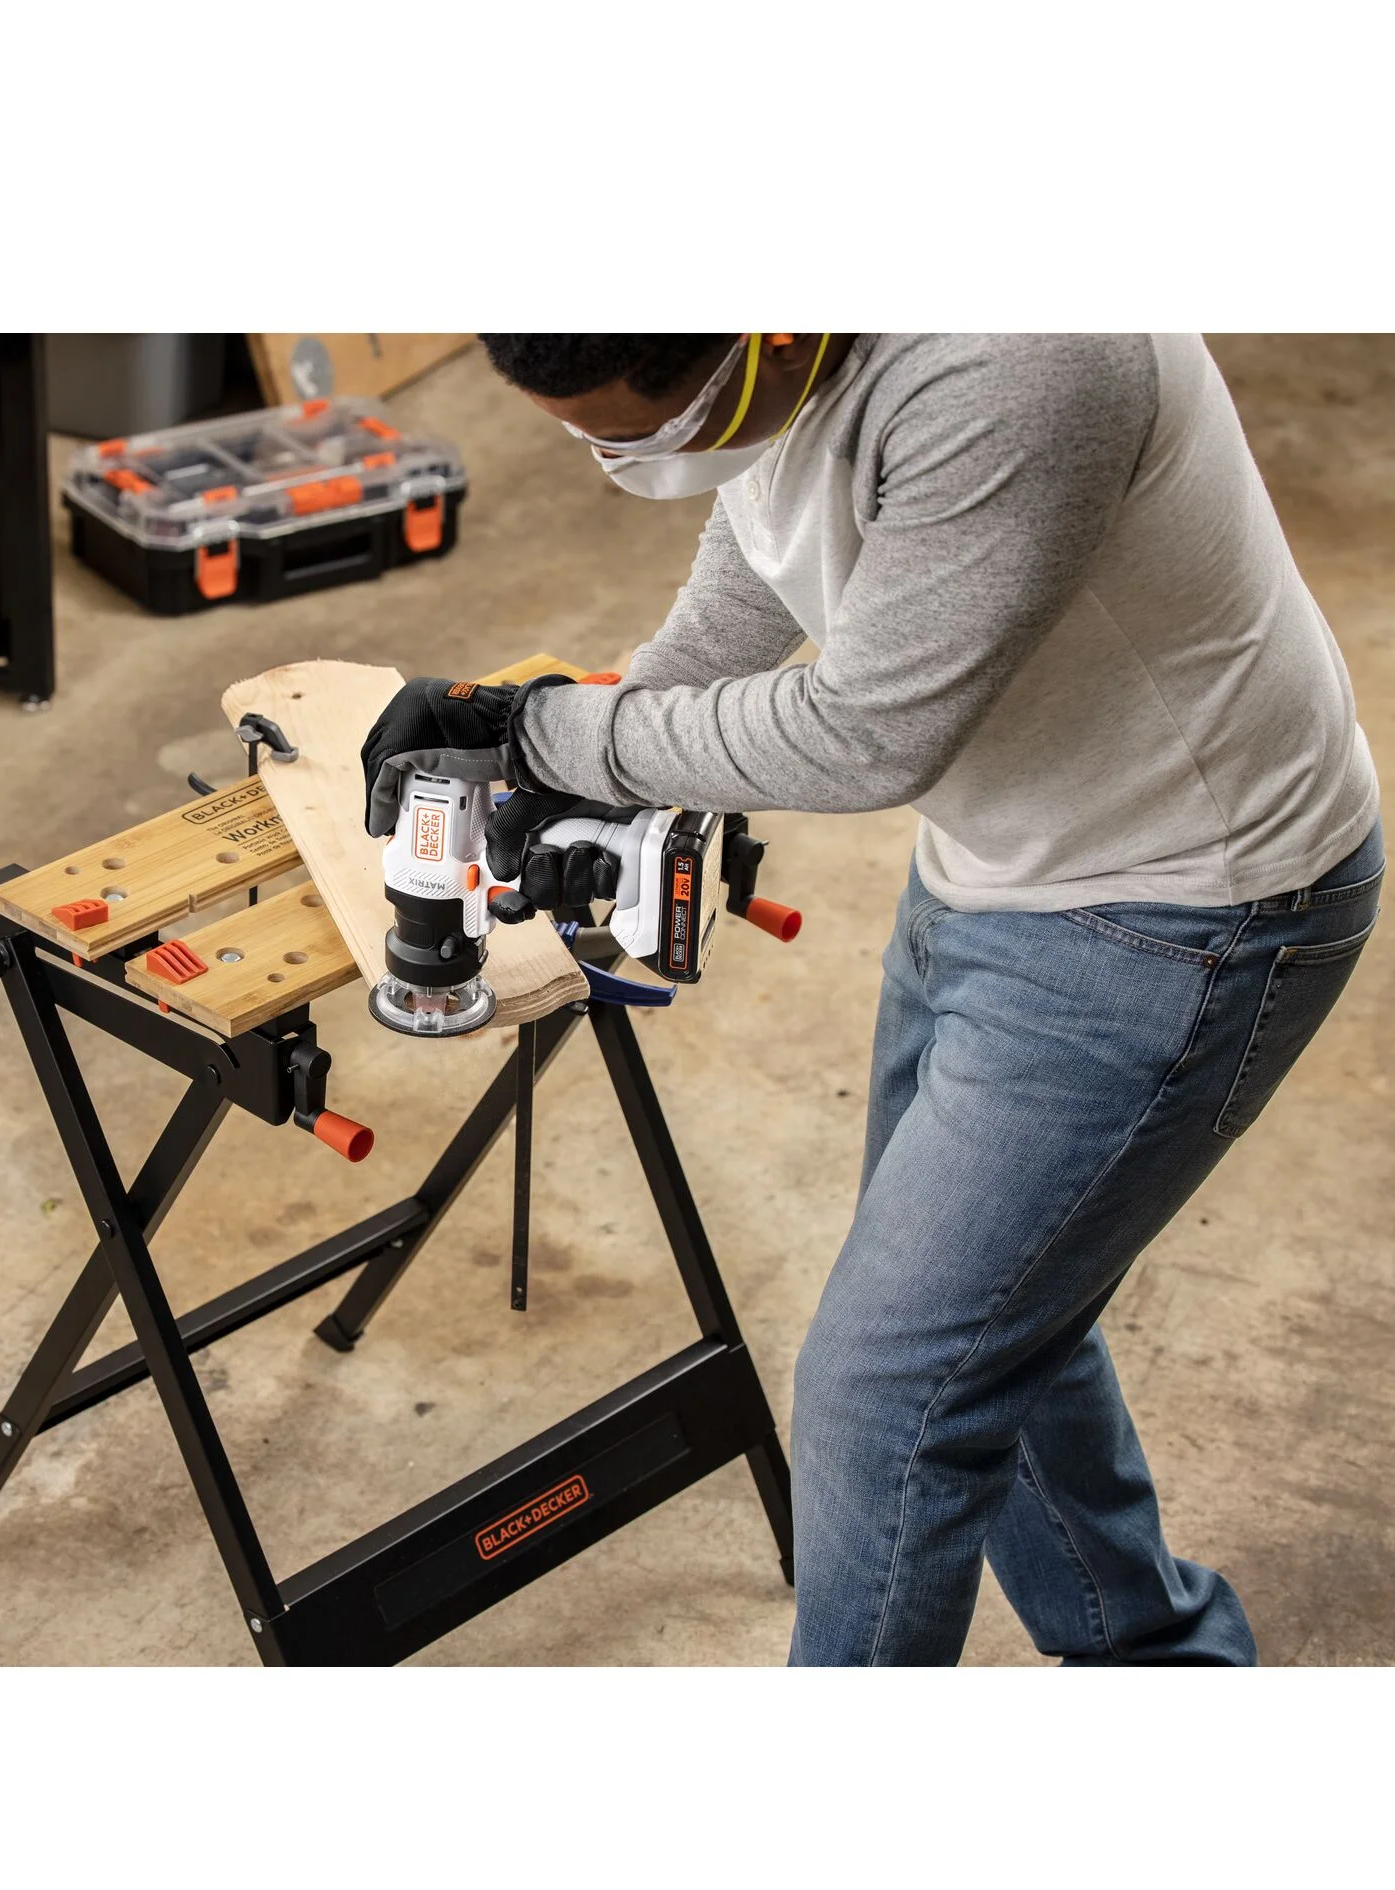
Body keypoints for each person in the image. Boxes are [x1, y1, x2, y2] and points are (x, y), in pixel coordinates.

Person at [358, 333, 1382, 1666]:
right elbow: (761, 538)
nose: (625, 463)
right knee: (994, 1319)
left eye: (647, 427)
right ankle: (1157, 1659)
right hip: (1002, 859)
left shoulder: (1031, 356)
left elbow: (870, 731)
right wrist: (572, 740)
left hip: (1180, 905)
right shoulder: (771, 344)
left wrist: (552, 734)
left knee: (887, 1395)